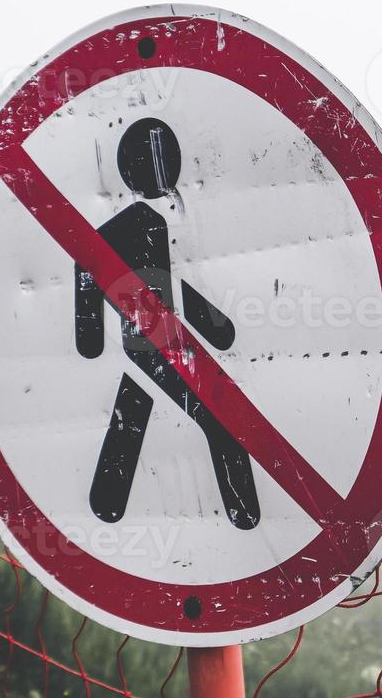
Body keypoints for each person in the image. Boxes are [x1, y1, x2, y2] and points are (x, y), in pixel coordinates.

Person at [74, 117, 260, 530]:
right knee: (222, 421)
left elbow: (155, 283)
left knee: (132, 413)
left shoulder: (133, 226)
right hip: (157, 343)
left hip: (148, 340)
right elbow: (156, 283)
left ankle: (106, 506)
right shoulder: (138, 225)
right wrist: (216, 326)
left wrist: (89, 339)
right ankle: (246, 515)